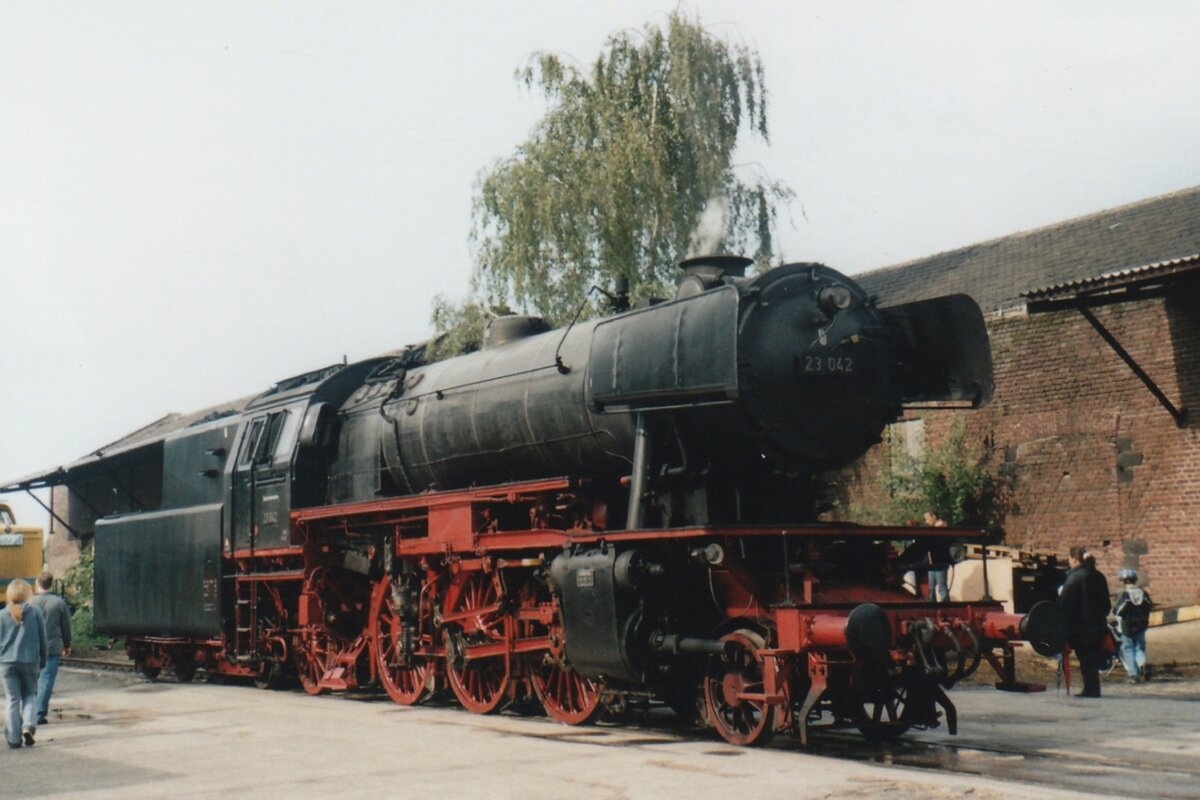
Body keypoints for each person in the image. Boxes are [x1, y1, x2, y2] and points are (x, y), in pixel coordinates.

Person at [1058, 546, 1111, 697]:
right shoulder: (1099, 576)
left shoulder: (1074, 578)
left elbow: (1066, 604)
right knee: (1092, 658)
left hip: (1079, 627)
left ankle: (1091, 689)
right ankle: (1093, 687)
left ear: (1074, 560)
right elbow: (1106, 604)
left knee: (1085, 658)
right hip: (1098, 625)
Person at [0, 579, 48, 747]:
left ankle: (13, 739)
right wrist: (43, 660)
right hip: (30, 661)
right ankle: (28, 726)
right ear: (27, 594)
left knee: (12, 699)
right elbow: (42, 639)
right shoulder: (35, 612)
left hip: (6, 663)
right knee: (29, 695)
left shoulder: (1, 615)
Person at [31, 571, 72, 724]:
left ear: (37, 582)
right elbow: (65, 627)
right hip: (52, 647)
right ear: (51, 583)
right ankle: (40, 713)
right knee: (46, 680)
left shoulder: (30, 602)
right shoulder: (59, 603)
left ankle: (29, 711)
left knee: (32, 680)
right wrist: (67, 645)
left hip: (32, 647)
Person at [1113, 567, 1153, 684]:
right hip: (1141, 625)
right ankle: (1142, 663)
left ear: (1124, 581)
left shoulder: (1124, 595)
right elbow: (1149, 606)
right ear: (1135, 580)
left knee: (1128, 649)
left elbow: (1117, 611)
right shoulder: (1143, 593)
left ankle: (1133, 675)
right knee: (1139, 647)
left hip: (1127, 627)